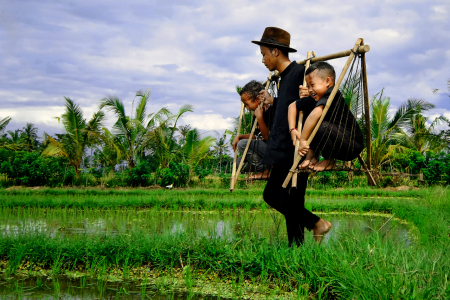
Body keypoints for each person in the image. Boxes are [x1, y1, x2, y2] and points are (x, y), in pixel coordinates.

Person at [251, 27, 332, 245]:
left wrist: (312, 94)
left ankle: (315, 226)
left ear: (276, 51)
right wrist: (273, 102)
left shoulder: (299, 73)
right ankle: (299, 243)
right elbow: (291, 106)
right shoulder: (284, 78)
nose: (263, 60)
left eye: (264, 54)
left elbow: (318, 105)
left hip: (295, 149)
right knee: (284, 199)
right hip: (283, 151)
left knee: (281, 197)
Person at [288, 61, 364, 171]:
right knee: (310, 122)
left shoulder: (332, 93)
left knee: (318, 125)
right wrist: (293, 129)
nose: (309, 90)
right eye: (308, 86)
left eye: (312, 85)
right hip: (338, 144)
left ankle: (328, 160)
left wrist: (303, 140)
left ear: (327, 81)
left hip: (352, 145)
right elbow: (292, 106)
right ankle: (311, 158)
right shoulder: (316, 98)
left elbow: (316, 114)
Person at [232, 80, 273, 180]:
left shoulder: (271, 112)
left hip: (273, 149)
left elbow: (268, 137)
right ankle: (265, 166)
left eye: (246, 104)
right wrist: (239, 136)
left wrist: (260, 118)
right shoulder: (256, 114)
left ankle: (265, 171)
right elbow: (255, 135)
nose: (247, 108)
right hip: (262, 151)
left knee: (242, 144)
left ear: (258, 99)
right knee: (238, 163)